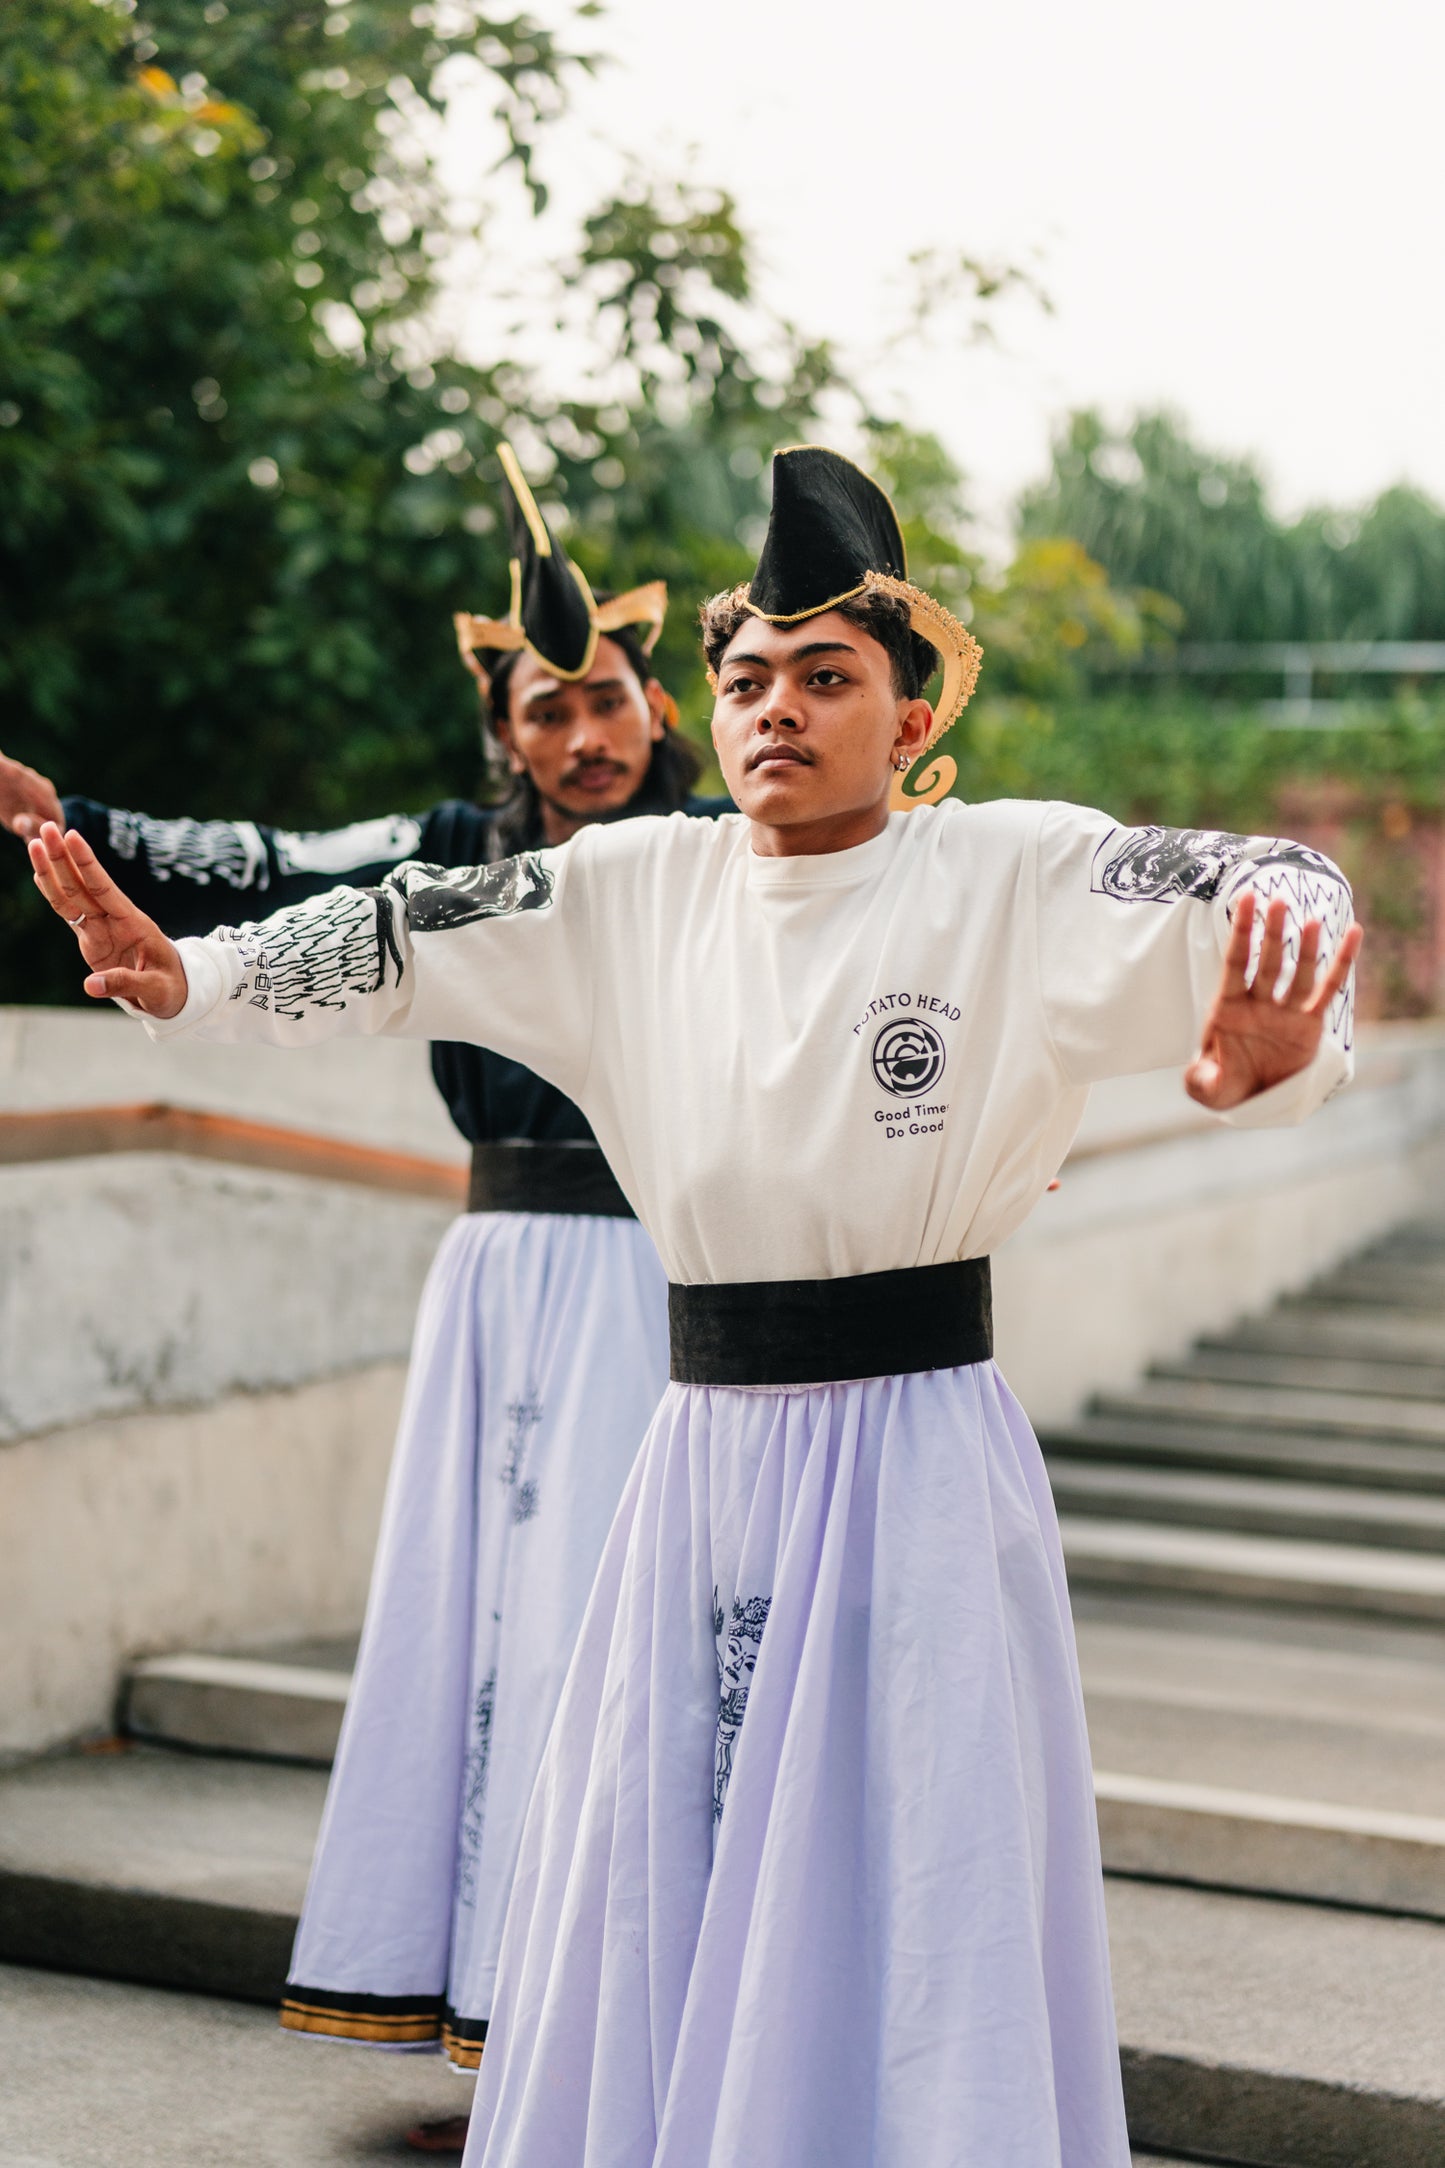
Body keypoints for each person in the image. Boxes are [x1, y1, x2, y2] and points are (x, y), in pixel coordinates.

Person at [30, 444, 1361, 2168]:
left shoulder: (1012, 872)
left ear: (910, 720)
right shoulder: (629, 888)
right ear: (707, 712)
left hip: (914, 1458)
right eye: (746, 680)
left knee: (910, 1857)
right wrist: (188, 973)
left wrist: (1266, 1033)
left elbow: (1273, 880)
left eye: (828, 677)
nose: (775, 709)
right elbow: (401, 938)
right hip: (698, 1455)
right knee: (669, 1853)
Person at [6, 447, 726, 2154]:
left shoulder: (710, 858)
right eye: (547, 714)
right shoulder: (449, 853)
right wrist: (67, 826)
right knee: (484, 1627)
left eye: (607, 702)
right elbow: (263, 867)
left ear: (657, 712)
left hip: (663, 1275)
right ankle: (488, 1996)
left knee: (610, 1635)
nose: (581, 739)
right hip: (497, 1271)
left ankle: (629, 2001)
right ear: (510, 738)